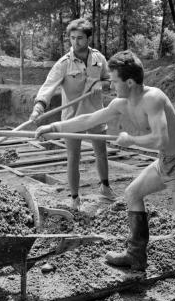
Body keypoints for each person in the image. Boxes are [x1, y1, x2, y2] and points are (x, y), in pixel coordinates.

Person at [36, 50, 175, 301]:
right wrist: (54, 126)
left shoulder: (153, 98)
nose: (110, 85)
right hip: (165, 162)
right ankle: (136, 256)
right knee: (132, 192)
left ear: (130, 83)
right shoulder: (122, 103)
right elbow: (89, 120)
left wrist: (131, 140)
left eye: (113, 80)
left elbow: (160, 138)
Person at [30, 18, 115, 210]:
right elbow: (48, 86)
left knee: (101, 153)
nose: (76, 42)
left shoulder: (98, 59)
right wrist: (39, 107)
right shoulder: (64, 64)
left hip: (96, 114)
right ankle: (75, 199)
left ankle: (105, 187)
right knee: (73, 157)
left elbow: (110, 80)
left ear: (88, 38)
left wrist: (100, 84)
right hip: (72, 118)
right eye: (72, 38)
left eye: (80, 38)